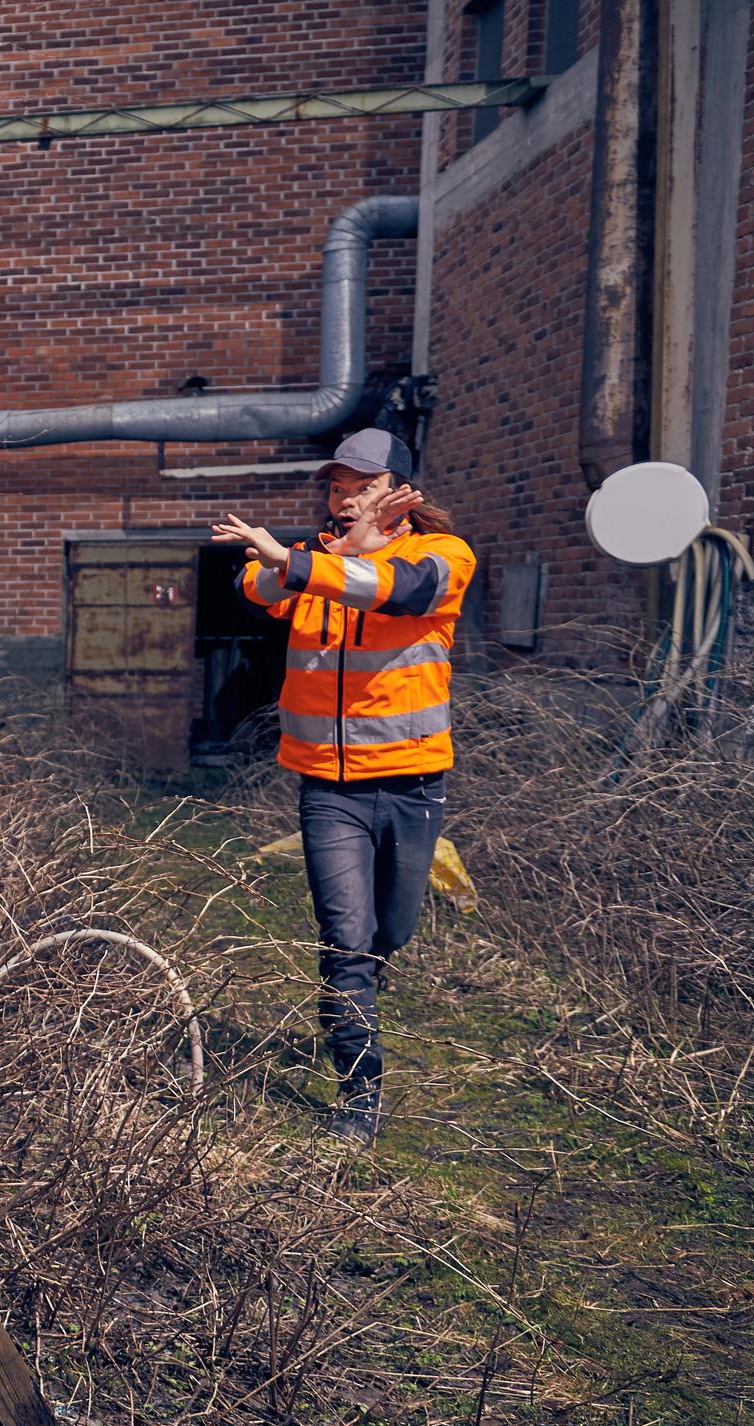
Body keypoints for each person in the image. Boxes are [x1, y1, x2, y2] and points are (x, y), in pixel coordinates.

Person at [212, 428, 476, 1144]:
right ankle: (360, 1091)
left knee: (392, 930)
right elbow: (255, 589)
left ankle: (352, 988)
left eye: (362, 483)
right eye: (336, 485)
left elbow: (393, 591)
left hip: (413, 784)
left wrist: (334, 557)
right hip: (327, 787)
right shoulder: (311, 562)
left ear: (399, 492)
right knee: (346, 936)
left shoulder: (441, 557)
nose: (345, 495)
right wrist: (294, 560)